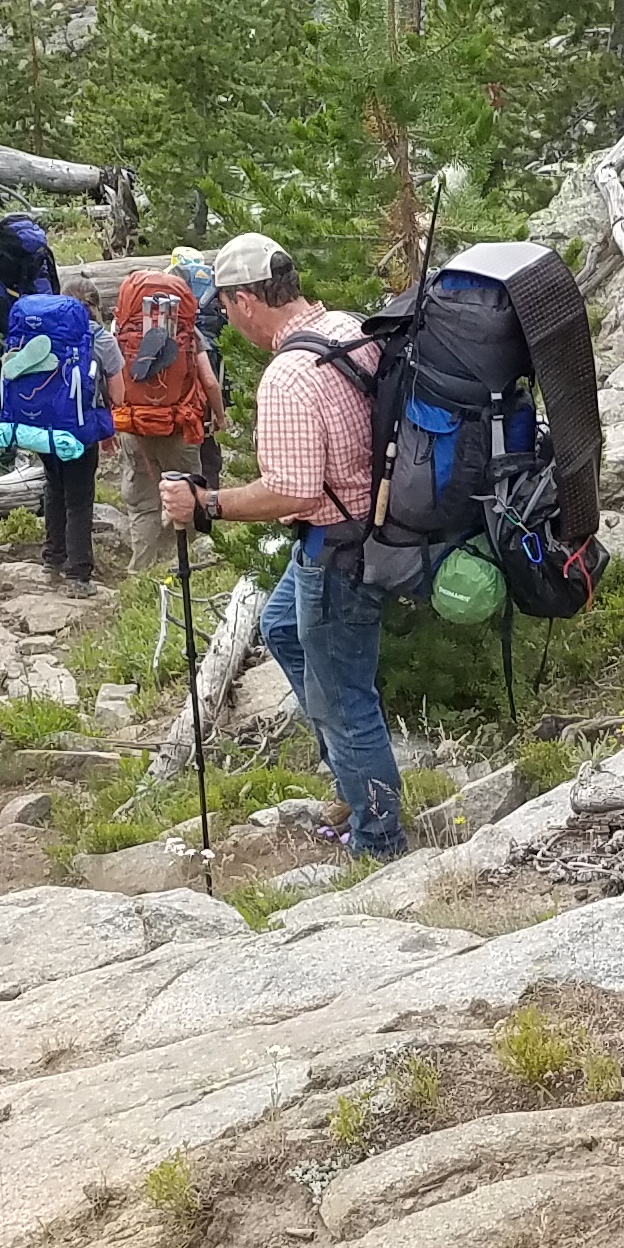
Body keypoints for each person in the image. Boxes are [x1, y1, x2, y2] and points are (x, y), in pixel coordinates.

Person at [159, 231, 406, 863]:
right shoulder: (349, 330)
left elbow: (291, 493)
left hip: (337, 549)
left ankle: (379, 843)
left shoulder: (288, 375)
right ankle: (355, 786)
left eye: (225, 305)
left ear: (245, 301)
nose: (228, 318)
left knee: (346, 700)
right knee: (280, 628)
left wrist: (207, 502)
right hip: (364, 531)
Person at [111, 246, 227, 576]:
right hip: (180, 424)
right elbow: (210, 382)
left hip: (135, 426)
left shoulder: (121, 330)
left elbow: (112, 378)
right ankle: (181, 562)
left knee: (144, 501)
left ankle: (141, 569)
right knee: (190, 492)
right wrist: (219, 417)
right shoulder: (189, 333)